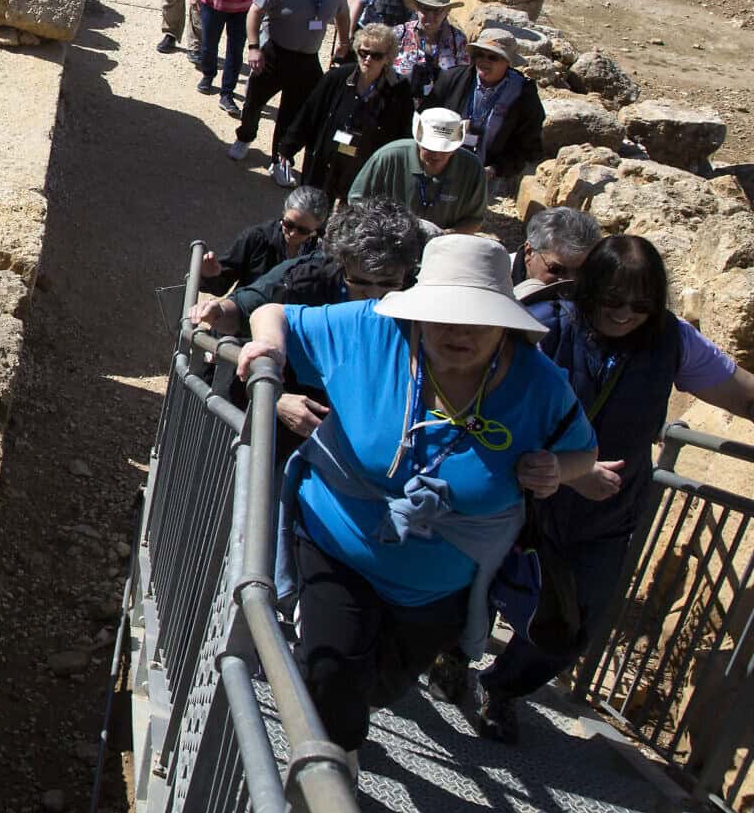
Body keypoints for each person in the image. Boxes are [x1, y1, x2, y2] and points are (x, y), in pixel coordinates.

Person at [233, 235, 598, 758]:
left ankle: (342, 731)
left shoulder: (540, 385)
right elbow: (275, 312)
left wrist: (557, 469)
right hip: (339, 545)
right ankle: (331, 778)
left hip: (440, 586)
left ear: (507, 325)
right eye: (445, 314)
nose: (458, 331)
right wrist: (269, 350)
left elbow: (583, 451)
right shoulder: (373, 330)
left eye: (478, 320)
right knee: (331, 674)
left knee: (379, 687)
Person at [465, 236, 754, 743]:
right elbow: (485, 401)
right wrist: (569, 469)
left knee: (574, 622)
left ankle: (504, 688)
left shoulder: (672, 339)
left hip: (607, 509)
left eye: (640, 305)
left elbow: (740, 394)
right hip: (517, 491)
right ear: (589, 289)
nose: (625, 314)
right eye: (612, 301)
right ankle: (451, 653)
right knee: (473, 588)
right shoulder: (546, 324)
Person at [194, 199, 425, 452]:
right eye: (360, 282)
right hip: (280, 421)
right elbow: (246, 308)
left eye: (388, 283)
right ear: (341, 261)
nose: (373, 295)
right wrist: (275, 397)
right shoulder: (304, 279)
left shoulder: (418, 298)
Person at [228, 0, 351, 186]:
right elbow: (255, 11)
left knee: (294, 114)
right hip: (275, 53)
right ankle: (245, 136)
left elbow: (342, 13)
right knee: (254, 102)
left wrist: (343, 41)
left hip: (308, 59)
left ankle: (280, 159)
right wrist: (253, 47)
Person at [280, 22, 414, 201]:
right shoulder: (337, 78)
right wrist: (288, 147)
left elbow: (402, 133)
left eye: (376, 55)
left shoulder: (399, 91)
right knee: (314, 211)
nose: (367, 59)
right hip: (326, 157)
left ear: (388, 58)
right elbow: (310, 112)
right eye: (363, 52)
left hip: (364, 167)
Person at [428, 28, 548, 191]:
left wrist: (496, 169)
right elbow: (425, 117)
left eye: (493, 57)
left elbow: (527, 144)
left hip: (487, 175)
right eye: (480, 55)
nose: (484, 61)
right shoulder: (453, 79)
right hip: (440, 164)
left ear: (508, 61)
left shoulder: (523, 95)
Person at [349, 108, 488, 233]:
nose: (437, 155)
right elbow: (357, 200)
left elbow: (474, 219)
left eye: (445, 149)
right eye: (430, 148)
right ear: (418, 141)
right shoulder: (388, 157)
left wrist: (444, 236)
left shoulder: (472, 169)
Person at [198, 185, 333, 295]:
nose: (292, 233)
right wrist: (210, 275)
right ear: (283, 213)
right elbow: (221, 286)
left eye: (303, 231)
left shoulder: (322, 254)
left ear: (315, 229)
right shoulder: (257, 238)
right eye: (289, 224)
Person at [392, 0, 471, 102]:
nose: (430, 16)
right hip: (399, 105)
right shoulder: (398, 34)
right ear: (416, 9)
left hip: (439, 111)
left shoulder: (458, 40)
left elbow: (462, 80)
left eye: (437, 11)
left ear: (446, 12)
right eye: (425, 9)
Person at [512, 206, 600, 306]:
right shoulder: (497, 281)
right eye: (556, 270)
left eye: (581, 271)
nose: (570, 281)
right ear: (529, 252)